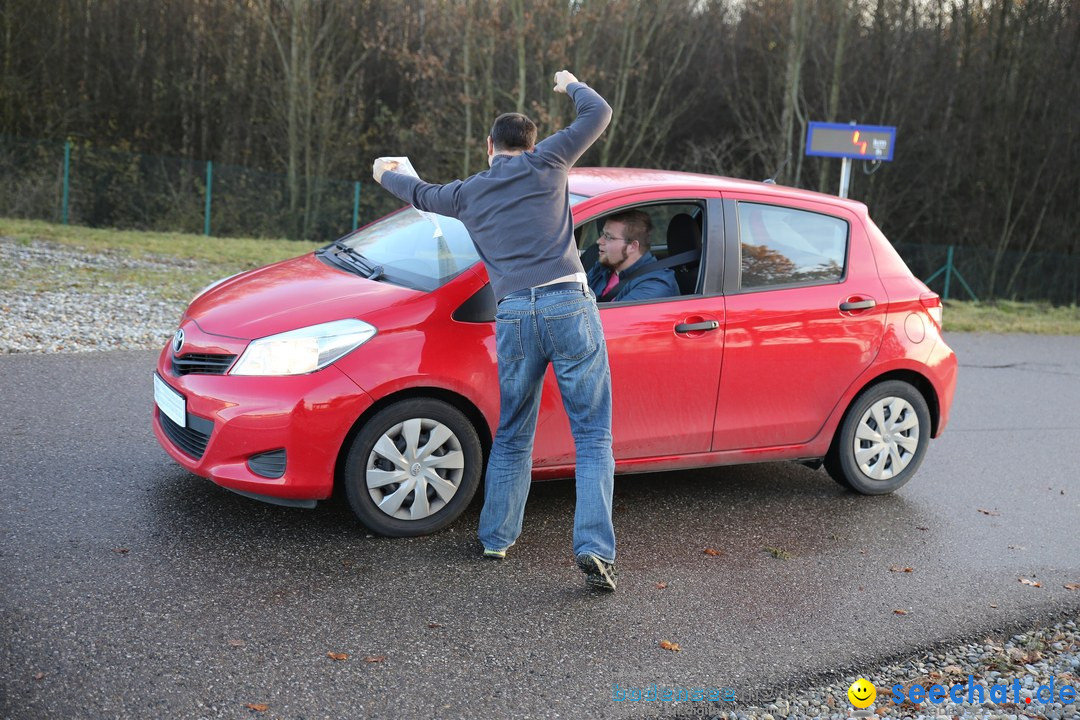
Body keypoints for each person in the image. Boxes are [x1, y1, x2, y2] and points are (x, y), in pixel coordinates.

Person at [372, 70, 618, 591]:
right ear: (530, 144)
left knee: (512, 433)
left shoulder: (466, 194)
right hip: (567, 305)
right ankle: (594, 549)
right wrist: (569, 82)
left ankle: (496, 539)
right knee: (592, 435)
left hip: (513, 315)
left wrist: (383, 173)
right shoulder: (549, 161)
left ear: (489, 147)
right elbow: (598, 112)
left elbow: (417, 192)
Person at [586, 210, 680, 302]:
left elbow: (615, 316)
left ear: (632, 246)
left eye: (608, 237)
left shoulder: (654, 286)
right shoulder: (604, 267)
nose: (599, 241)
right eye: (603, 234)